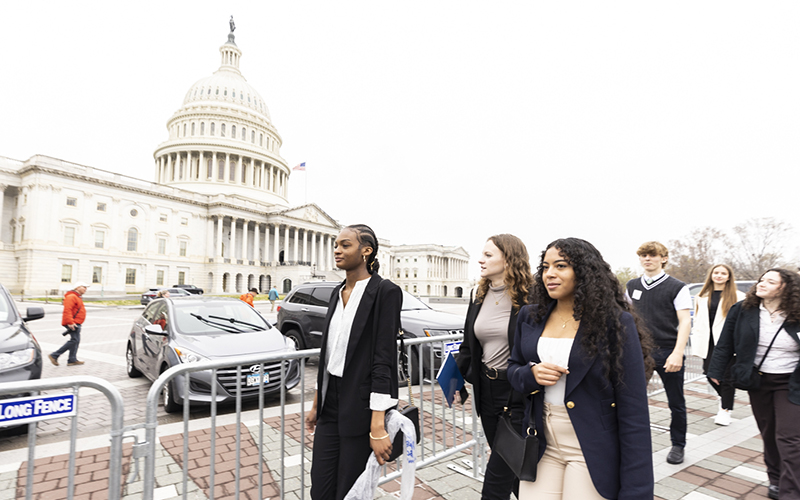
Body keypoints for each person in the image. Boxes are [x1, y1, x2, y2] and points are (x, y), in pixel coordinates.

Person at [508, 238, 654, 499]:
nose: (549, 274)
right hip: (541, 443)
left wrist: (637, 490)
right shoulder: (529, 316)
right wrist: (530, 375)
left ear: (585, 272)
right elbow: (513, 369)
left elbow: (634, 411)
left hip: (590, 447)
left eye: (561, 266)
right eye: (545, 267)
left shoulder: (615, 323)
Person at [305, 224, 402, 500]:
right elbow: (329, 354)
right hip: (330, 404)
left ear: (366, 251)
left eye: (345, 245)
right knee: (320, 488)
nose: (337, 250)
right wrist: (316, 403)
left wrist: (378, 424)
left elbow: (384, 359)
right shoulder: (337, 292)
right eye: (335, 244)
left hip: (361, 404)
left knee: (350, 490)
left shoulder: (385, 292)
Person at [709, 269, 800, 500]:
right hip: (758, 379)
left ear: (785, 288)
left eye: (770, 281)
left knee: (789, 437)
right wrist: (716, 370)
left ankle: (791, 492)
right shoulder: (742, 310)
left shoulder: (797, 312)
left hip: (791, 381)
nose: (762, 284)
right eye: (762, 279)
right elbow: (725, 342)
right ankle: (776, 479)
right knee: (769, 433)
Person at [456, 234, 533, 500]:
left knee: (496, 481)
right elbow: (468, 345)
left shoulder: (530, 297)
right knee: (513, 471)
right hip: (486, 392)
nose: (481, 259)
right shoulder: (479, 295)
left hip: (517, 393)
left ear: (509, 258)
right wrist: (458, 381)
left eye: (489, 255)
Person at [625, 241, 691, 464]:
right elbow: (625, 318)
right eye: (643, 255)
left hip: (667, 351)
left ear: (663, 258)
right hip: (639, 351)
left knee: (676, 402)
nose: (647, 259)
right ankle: (632, 444)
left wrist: (678, 353)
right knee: (631, 401)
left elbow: (684, 321)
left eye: (652, 255)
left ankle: (678, 445)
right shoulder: (632, 285)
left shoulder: (677, 286)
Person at [691, 264, 746, 426]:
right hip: (707, 341)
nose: (719, 275)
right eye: (716, 272)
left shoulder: (738, 296)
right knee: (709, 373)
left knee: (727, 377)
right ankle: (725, 398)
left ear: (729, 277)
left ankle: (725, 410)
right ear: (711, 275)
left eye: (723, 273)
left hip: (727, 342)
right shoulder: (702, 296)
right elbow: (699, 319)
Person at [48, 282, 89, 367]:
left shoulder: (77, 297)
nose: (85, 289)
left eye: (86, 287)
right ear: (77, 287)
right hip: (73, 322)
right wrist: (70, 322)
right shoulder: (71, 297)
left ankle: (72, 359)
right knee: (74, 340)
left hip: (76, 322)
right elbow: (67, 310)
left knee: (76, 341)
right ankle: (54, 355)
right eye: (83, 287)